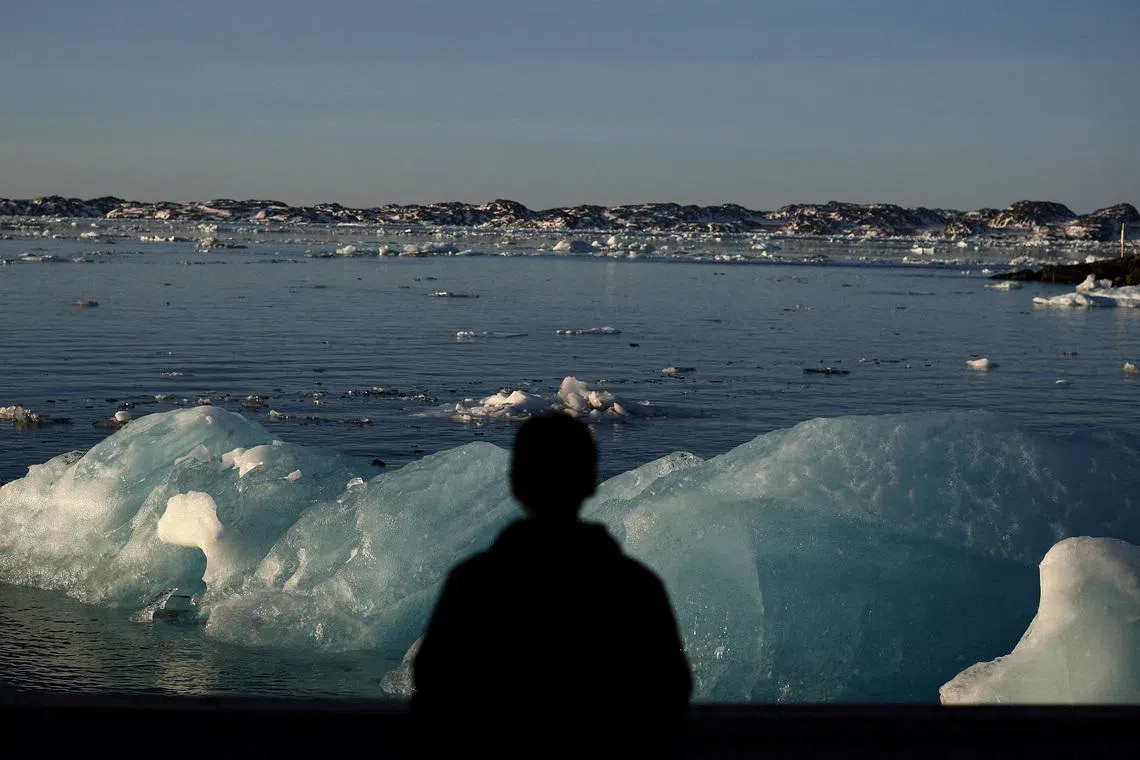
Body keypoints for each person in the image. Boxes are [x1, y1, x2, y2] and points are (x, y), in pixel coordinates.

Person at [411, 412, 693, 757]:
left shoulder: (476, 583)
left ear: (515, 483)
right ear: (591, 481)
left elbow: (433, 688)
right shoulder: (634, 586)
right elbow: (670, 692)